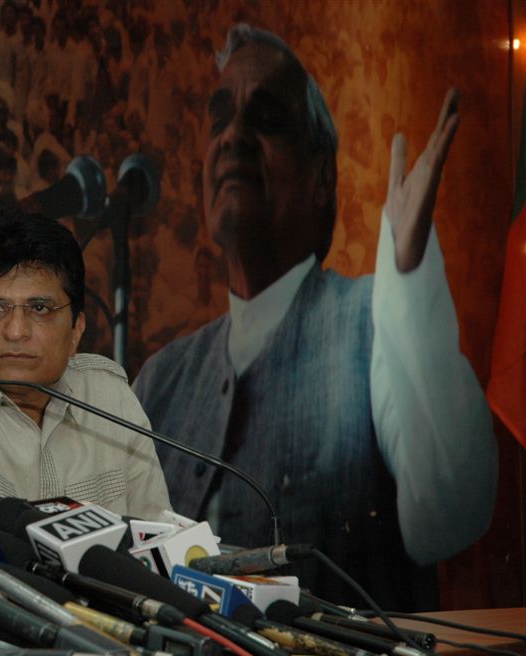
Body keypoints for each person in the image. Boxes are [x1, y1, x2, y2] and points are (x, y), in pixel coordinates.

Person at [133, 24, 497, 610]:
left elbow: (452, 513)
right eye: (220, 117)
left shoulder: (376, 320)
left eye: (265, 119)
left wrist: (407, 272)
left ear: (322, 178)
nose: (233, 137)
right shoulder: (160, 381)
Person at [0, 208, 171, 518]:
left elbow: (158, 538)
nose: (15, 332)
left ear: (76, 328)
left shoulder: (110, 399)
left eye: (39, 308)